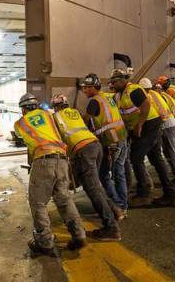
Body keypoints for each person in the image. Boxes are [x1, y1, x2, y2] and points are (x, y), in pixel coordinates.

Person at [14, 93, 87, 257]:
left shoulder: (20, 123)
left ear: (24, 109)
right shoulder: (50, 115)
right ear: (37, 105)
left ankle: (44, 242)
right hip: (62, 160)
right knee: (64, 199)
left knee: (38, 202)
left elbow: (21, 137)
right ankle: (79, 234)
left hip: (43, 162)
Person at [51, 94, 121, 241]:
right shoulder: (75, 112)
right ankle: (115, 210)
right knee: (93, 186)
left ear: (55, 107)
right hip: (95, 145)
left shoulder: (55, 118)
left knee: (93, 188)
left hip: (83, 150)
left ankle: (111, 228)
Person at [109, 69, 175, 208]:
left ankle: (143, 194)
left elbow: (145, 105)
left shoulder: (133, 90)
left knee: (136, 157)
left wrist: (139, 124)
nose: (112, 85)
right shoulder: (120, 95)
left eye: (114, 82)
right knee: (156, 159)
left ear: (122, 80)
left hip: (149, 125)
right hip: (147, 126)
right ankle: (170, 195)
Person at [80, 73, 128, 220]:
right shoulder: (108, 96)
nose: (85, 91)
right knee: (119, 171)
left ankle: (115, 207)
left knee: (103, 175)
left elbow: (84, 121)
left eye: (87, 88)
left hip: (110, 140)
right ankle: (123, 206)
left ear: (94, 87)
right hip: (122, 136)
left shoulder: (94, 102)